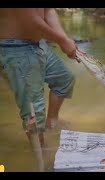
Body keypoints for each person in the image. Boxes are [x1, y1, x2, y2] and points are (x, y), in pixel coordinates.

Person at [0, 8, 78, 147]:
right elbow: (30, 20)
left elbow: (48, 10)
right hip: (13, 47)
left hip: (38, 44)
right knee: (33, 113)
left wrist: (65, 40)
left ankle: (51, 122)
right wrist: (61, 41)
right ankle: (40, 154)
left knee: (64, 78)